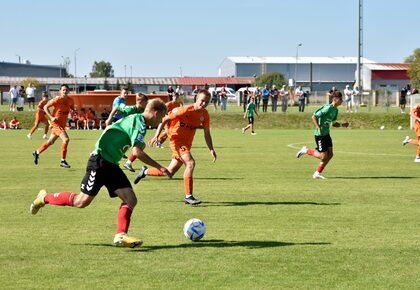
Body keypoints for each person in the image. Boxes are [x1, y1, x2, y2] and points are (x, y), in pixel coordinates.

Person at [29, 98, 172, 248]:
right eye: (162, 117)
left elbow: (113, 130)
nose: (161, 122)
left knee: (130, 199)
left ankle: (121, 235)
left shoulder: (136, 120)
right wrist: (160, 167)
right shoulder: (139, 122)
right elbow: (136, 151)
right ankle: (44, 198)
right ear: (155, 113)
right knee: (81, 202)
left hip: (111, 164)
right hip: (100, 162)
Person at [134, 90, 217, 205]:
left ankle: (145, 171)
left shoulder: (205, 115)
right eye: (202, 101)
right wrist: (156, 135)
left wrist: (211, 149)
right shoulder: (184, 110)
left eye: (207, 102)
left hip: (186, 144)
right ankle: (189, 196)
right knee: (190, 163)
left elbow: (207, 133)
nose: (204, 104)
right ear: (197, 98)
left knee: (169, 172)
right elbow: (164, 119)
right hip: (176, 140)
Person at [296, 91, 349, 179]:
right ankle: (306, 150)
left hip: (326, 134)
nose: (342, 101)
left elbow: (333, 124)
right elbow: (314, 117)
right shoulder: (327, 108)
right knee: (323, 156)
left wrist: (343, 125)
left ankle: (317, 173)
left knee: (330, 155)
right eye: (340, 99)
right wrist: (318, 128)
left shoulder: (335, 110)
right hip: (320, 135)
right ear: (335, 99)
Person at [32, 84, 75, 168]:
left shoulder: (71, 100)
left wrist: (73, 111)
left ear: (68, 91)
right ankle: (63, 161)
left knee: (50, 142)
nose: (65, 91)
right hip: (56, 124)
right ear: (60, 91)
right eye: (63, 90)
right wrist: (51, 117)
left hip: (62, 124)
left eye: (66, 90)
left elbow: (72, 108)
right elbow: (45, 107)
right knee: (66, 139)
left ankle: (36, 152)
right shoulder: (57, 99)